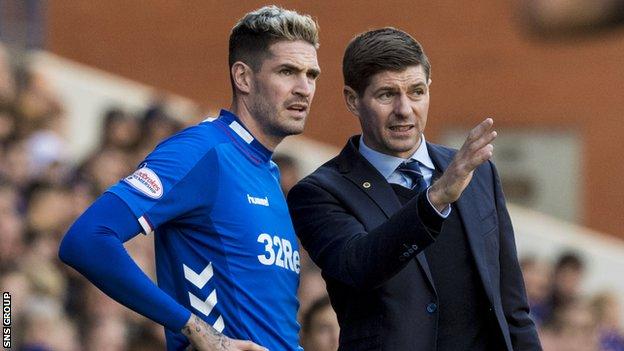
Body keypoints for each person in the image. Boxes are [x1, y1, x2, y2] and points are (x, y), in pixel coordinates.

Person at [59, 5, 320, 351]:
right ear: (243, 77)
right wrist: (193, 327)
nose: (304, 88)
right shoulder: (202, 151)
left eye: (312, 75)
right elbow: (87, 239)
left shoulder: (269, 173)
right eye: (288, 71)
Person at [287, 28, 541, 350]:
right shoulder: (320, 192)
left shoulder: (476, 171)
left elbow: (512, 307)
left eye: (416, 92)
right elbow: (358, 265)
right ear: (353, 100)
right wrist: (436, 199)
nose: (404, 109)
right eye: (386, 95)